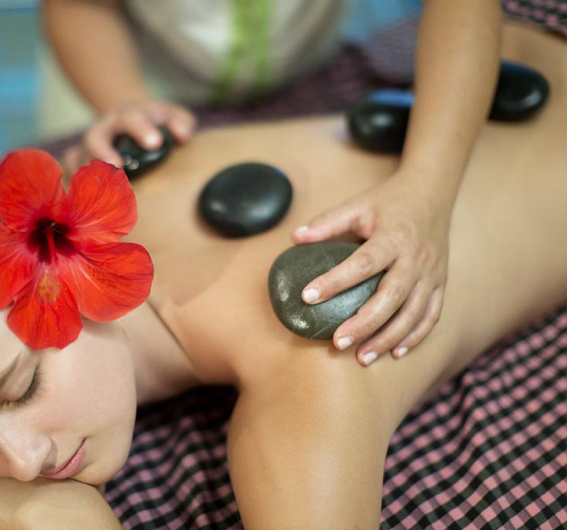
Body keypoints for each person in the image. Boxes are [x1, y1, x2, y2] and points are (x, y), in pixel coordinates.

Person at [0, 21, 567, 529]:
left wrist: (427, 189)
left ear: (79, 277)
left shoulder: (306, 374)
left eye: (22, 388)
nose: (23, 461)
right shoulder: (75, 215)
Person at [43, 0, 504, 365]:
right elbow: (79, 4)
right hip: (135, 75)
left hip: (306, 65)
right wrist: (124, 99)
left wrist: (427, 186)